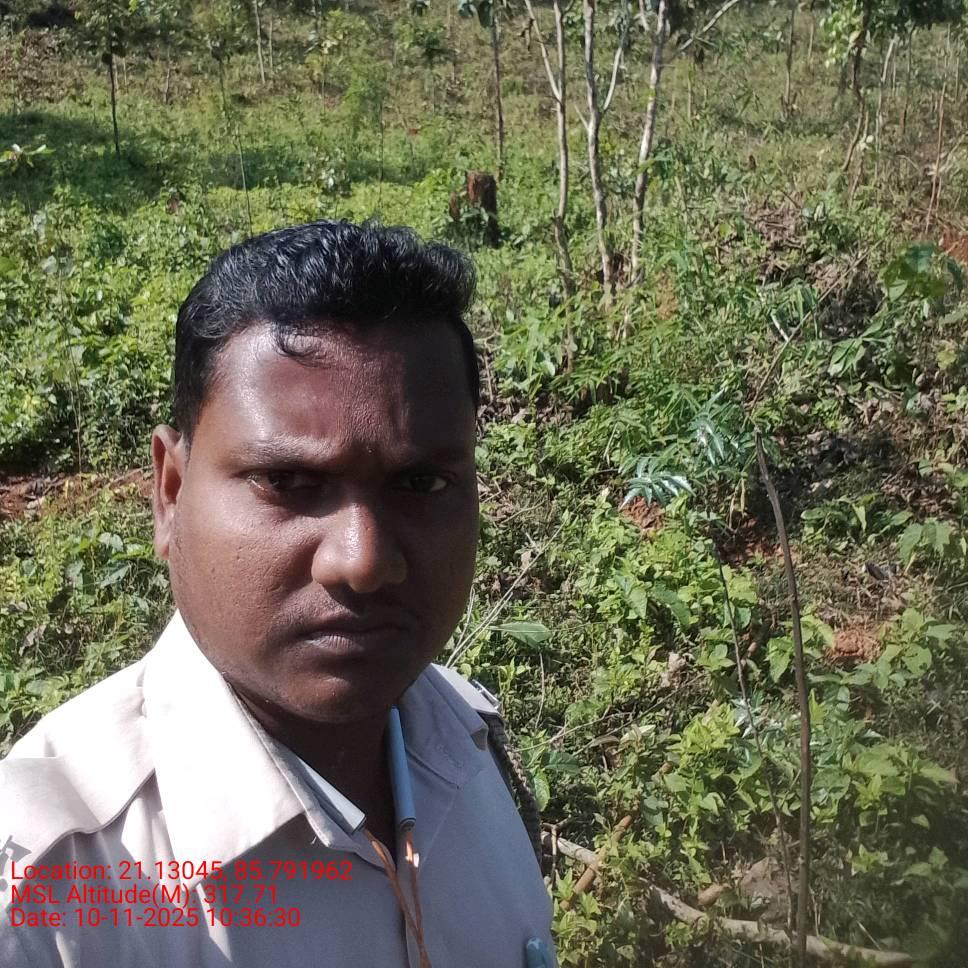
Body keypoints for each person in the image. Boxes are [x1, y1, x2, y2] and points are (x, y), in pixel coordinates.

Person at [0, 221, 556, 968]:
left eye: (422, 483)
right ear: (170, 494)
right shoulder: (46, 896)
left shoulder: (472, 743)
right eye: (289, 482)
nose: (362, 560)